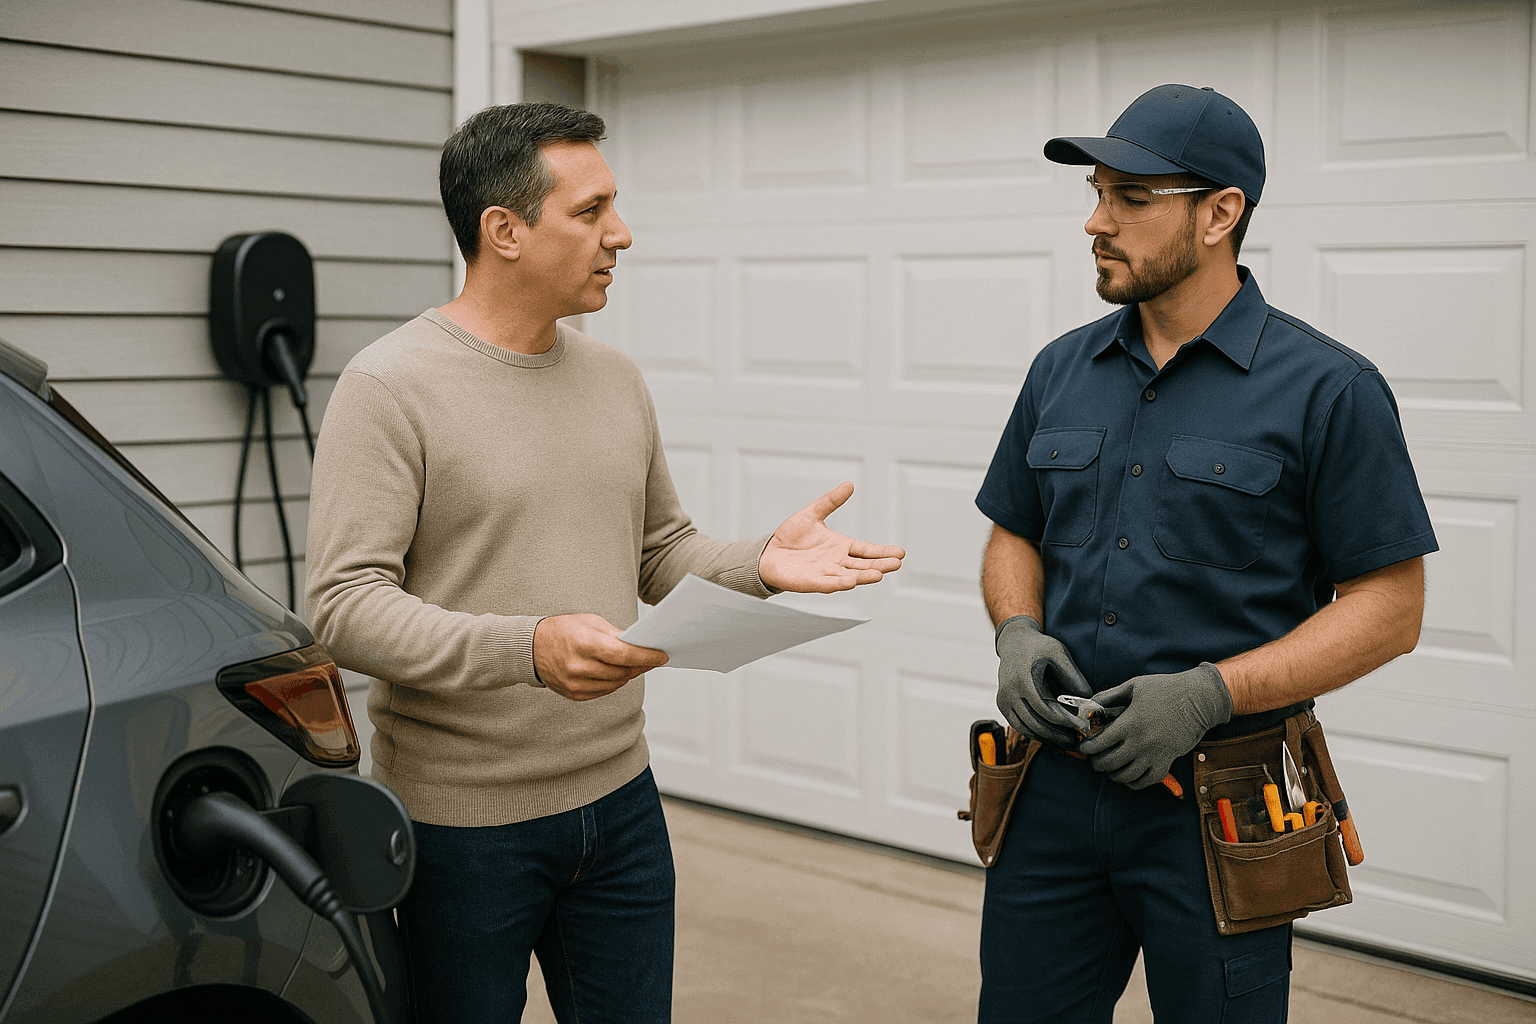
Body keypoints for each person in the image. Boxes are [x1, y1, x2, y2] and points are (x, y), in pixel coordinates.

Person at [305, 101, 904, 1024]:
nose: (620, 234)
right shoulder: (389, 386)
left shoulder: (613, 376)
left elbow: (661, 551)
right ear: (503, 230)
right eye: (590, 212)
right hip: (461, 830)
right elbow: (345, 608)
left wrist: (763, 563)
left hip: (621, 806)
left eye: (612, 206)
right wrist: (529, 647)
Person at [973, 84, 1437, 1022]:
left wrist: (1208, 693)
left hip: (1226, 806)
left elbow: (1392, 610)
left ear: (1223, 212)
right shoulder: (1060, 369)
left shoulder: (1329, 390)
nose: (1097, 223)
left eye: (1132, 198)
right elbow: (1013, 531)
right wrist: (1016, 630)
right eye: (1096, 194)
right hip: (1052, 790)